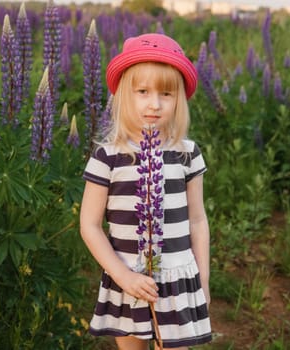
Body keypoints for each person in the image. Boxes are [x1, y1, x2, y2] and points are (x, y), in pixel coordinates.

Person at [80, 33, 212, 350]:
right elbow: (89, 225)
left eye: (166, 93)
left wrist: (203, 281)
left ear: (179, 99)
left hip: (178, 279)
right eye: (142, 92)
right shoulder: (107, 155)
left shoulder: (186, 153)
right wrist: (123, 276)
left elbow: (197, 221)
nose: (154, 103)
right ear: (125, 95)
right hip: (127, 278)